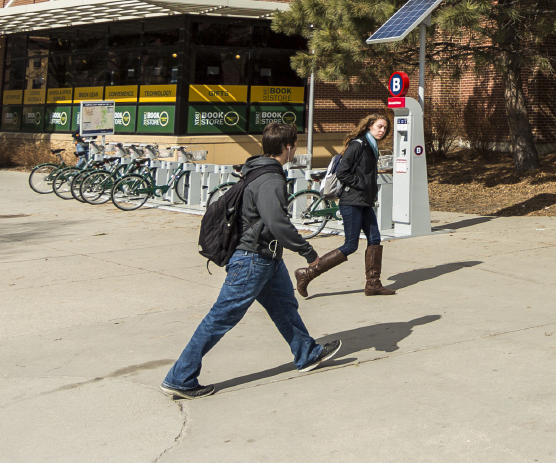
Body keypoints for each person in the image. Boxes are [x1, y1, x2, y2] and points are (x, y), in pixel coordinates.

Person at [163, 120, 342, 399]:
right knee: (220, 318)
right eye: (294, 146)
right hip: (252, 260)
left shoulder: (257, 171)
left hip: (266, 258)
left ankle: (307, 353)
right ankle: (180, 377)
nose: (294, 150)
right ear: (288, 147)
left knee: (285, 307)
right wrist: (308, 252)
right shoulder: (271, 179)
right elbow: (277, 222)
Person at [295, 114, 398, 297]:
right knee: (351, 245)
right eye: (379, 126)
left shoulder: (371, 147)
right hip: (351, 201)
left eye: (385, 128)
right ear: (369, 126)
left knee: (375, 238)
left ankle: (373, 284)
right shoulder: (358, 145)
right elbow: (343, 172)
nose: (382, 131)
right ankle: (307, 274)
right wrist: (362, 184)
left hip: (364, 201)